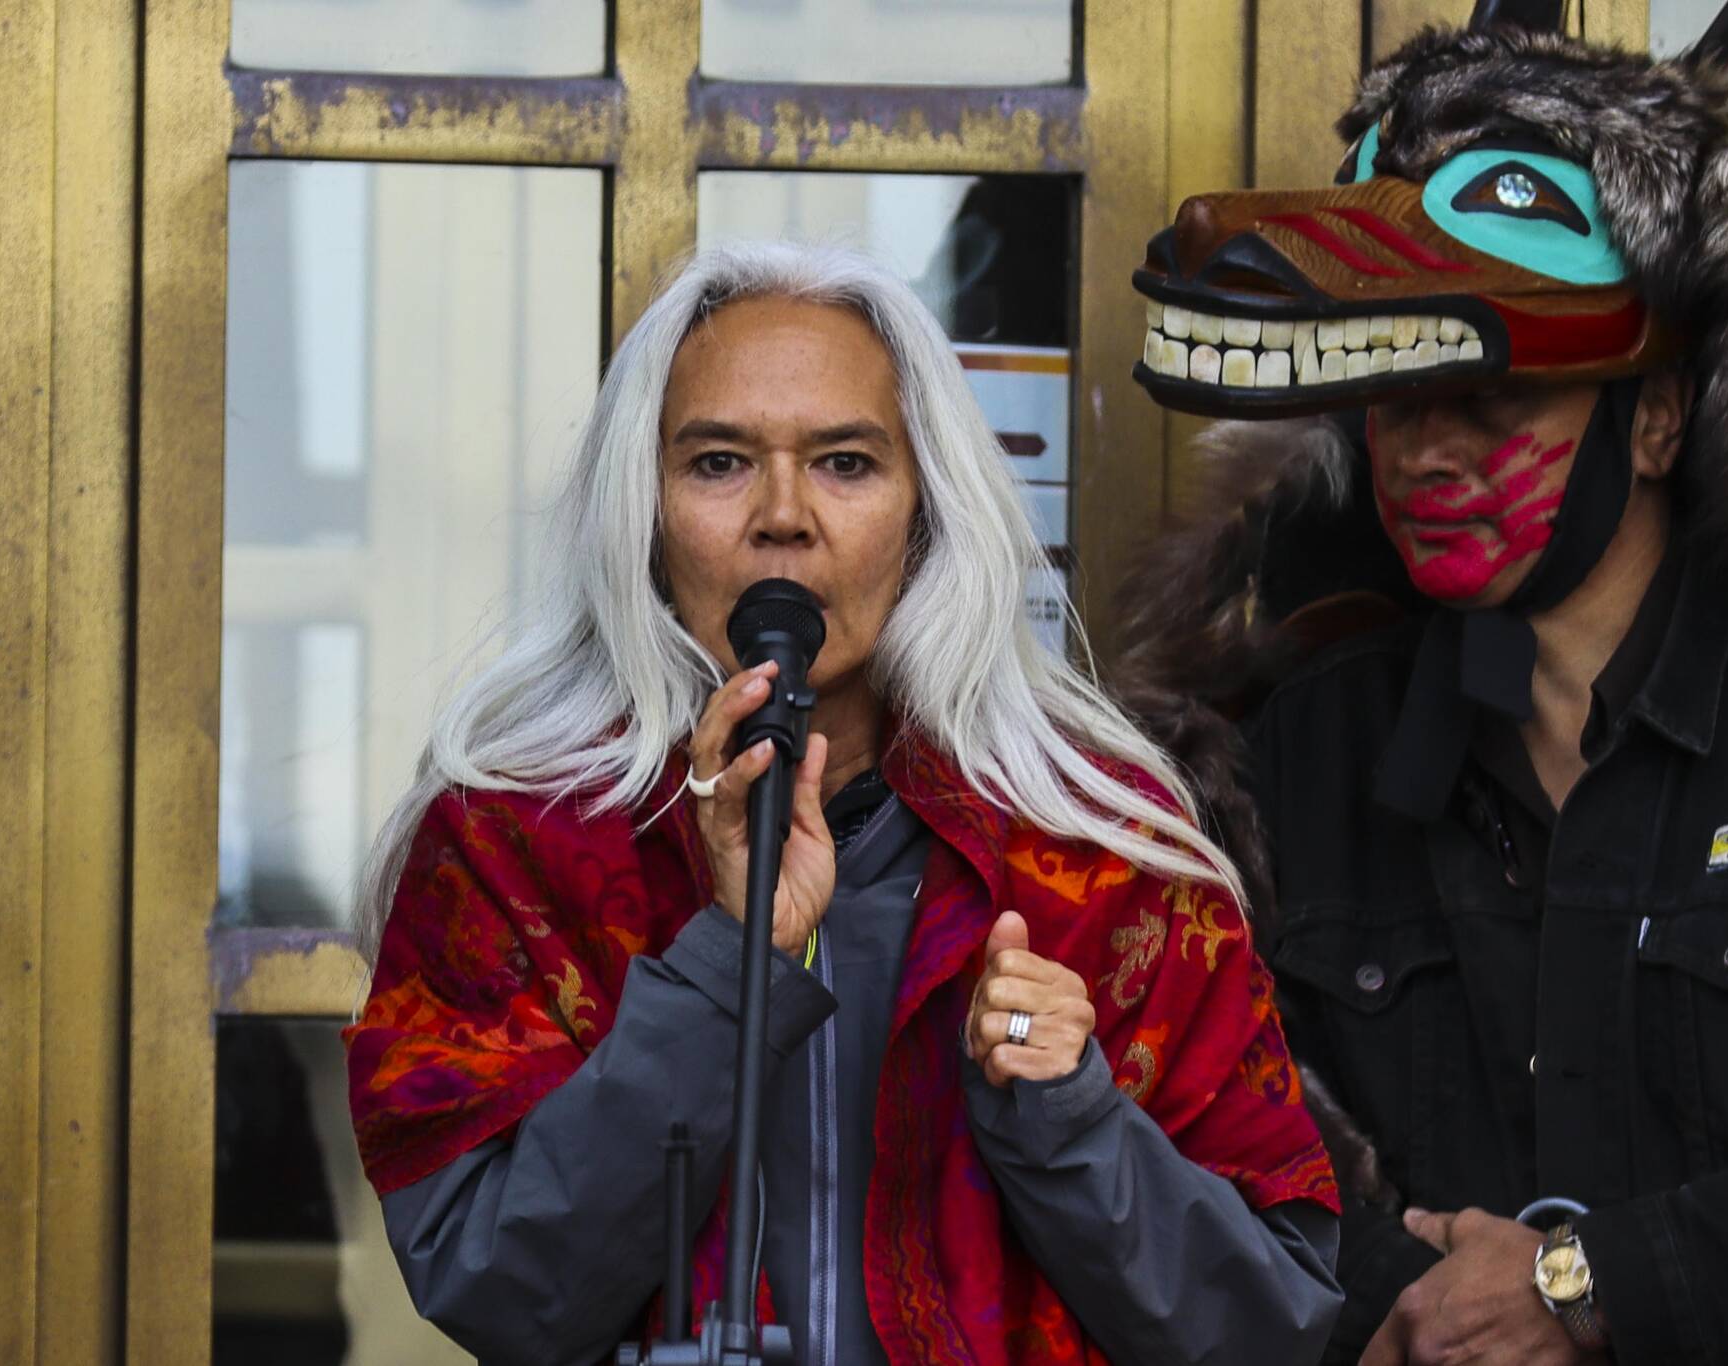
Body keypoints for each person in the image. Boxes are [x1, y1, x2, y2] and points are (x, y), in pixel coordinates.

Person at [1116, 2, 1728, 1363]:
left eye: (1492, 396)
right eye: (1397, 398)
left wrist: (1595, 1286)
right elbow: (1220, 1131)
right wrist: (1408, 1305)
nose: (1425, 449)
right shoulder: (1283, 753)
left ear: (1653, 417)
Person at [342, 241, 1344, 1366]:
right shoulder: (513, 846)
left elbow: (1265, 1328)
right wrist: (728, 963)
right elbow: (495, 1287)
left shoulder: (1096, 852)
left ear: (925, 512)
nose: (783, 516)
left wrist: (1066, 1116)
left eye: (845, 464)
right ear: (643, 508)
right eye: (718, 462)